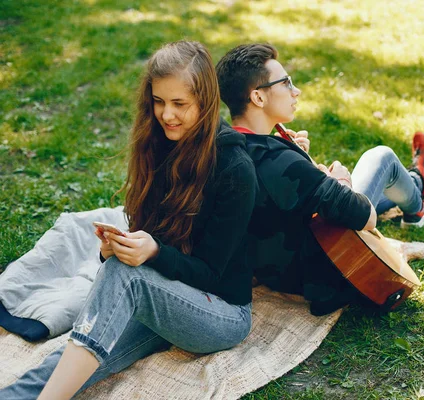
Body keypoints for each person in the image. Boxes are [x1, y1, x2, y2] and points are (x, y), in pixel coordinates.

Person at [0, 40, 257, 399]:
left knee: (123, 281)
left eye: (180, 104)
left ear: (205, 101)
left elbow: (211, 274)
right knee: (83, 350)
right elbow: (147, 233)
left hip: (221, 313)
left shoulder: (234, 168)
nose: (167, 114)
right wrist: (114, 249)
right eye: (159, 101)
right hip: (163, 292)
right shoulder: (157, 144)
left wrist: (152, 254)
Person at [215, 43, 424, 316]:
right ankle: (417, 200)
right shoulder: (281, 162)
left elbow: (280, 196)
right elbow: (366, 217)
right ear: (258, 98)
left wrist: (298, 160)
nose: (296, 91)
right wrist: (340, 181)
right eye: (286, 83)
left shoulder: (231, 148)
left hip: (278, 269)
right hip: (328, 265)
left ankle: (415, 185)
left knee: (357, 184)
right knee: (382, 158)